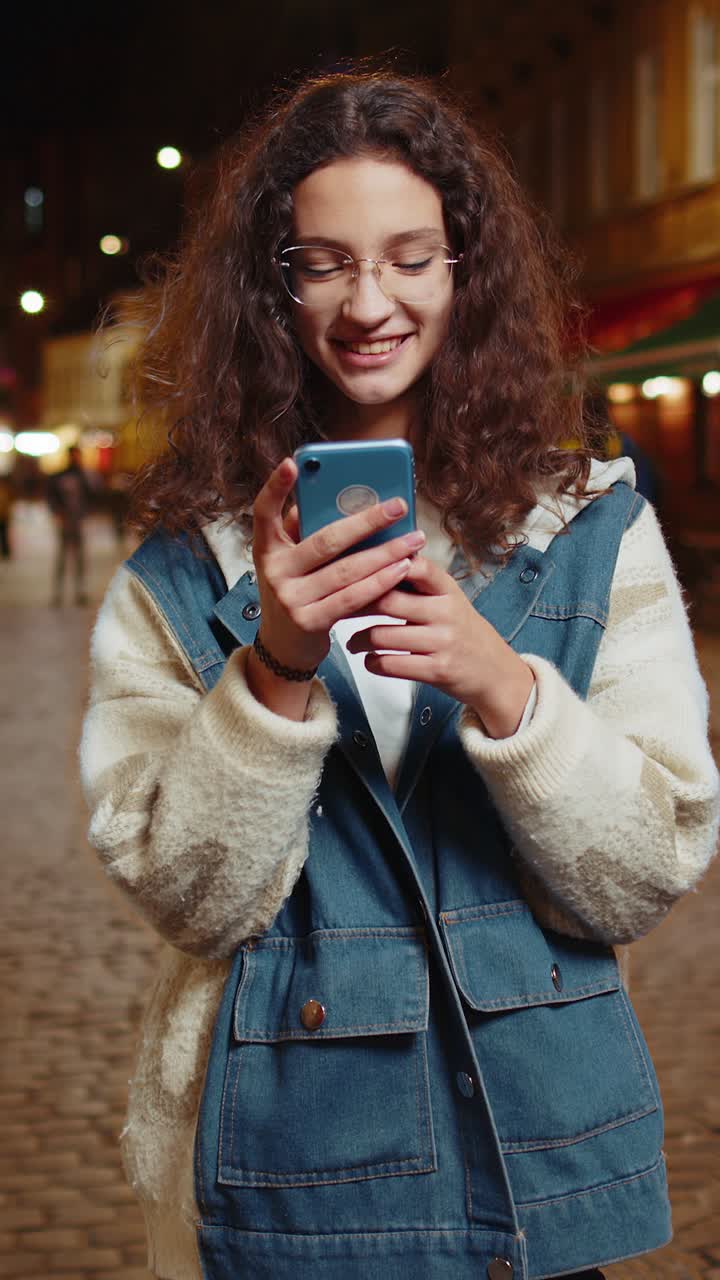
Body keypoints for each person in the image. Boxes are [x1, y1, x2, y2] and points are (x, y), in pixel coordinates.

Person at [80, 72, 719, 1280]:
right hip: (285, 1176)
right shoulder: (181, 569)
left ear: (463, 271)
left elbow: (645, 873)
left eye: (410, 257)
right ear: (271, 289)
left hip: (538, 1173)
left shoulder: (588, 526)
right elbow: (195, 899)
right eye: (321, 262)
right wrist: (272, 668)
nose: (369, 301)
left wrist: (504, 687)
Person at [47, 444, 93, 605]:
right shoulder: (60, 476)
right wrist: (58, 514)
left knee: (79, 558)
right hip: (65, 522)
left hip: (77, 521)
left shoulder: (83, 476)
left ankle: (80, 591)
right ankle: (58, 593)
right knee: (63, 558)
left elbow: (91, 496)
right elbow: (51, 497)